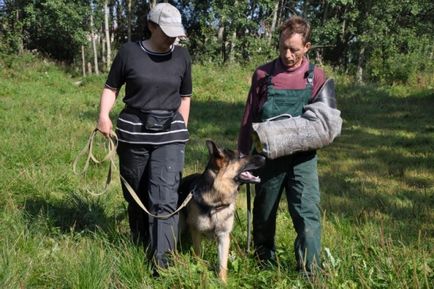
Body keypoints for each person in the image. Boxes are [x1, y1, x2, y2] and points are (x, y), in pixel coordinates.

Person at [96, 3, 192, 269]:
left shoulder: (182, 56)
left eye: (176, 33)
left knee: (164, 197)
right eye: (166, 32)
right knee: (136, 194)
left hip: (169, 135)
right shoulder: (129, 52)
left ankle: (163, 265)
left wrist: (182, 126)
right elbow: (111, 87)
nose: (172, 38)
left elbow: (185, 96)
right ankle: (140, 245)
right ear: (151, 26)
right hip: (133, 133)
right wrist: (103, 116)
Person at [238, 16, 330, 273]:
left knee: (307, 214)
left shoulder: (315, 77)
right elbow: (249, 119)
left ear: (307, 47)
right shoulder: (263, 74)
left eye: (294, 49)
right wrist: (242, 158)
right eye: (282, 47)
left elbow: (325, 121)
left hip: (303, 159)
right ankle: (263, 265)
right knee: (264, 213)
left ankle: (310, 270)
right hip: (268, 157)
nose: (287, 54)